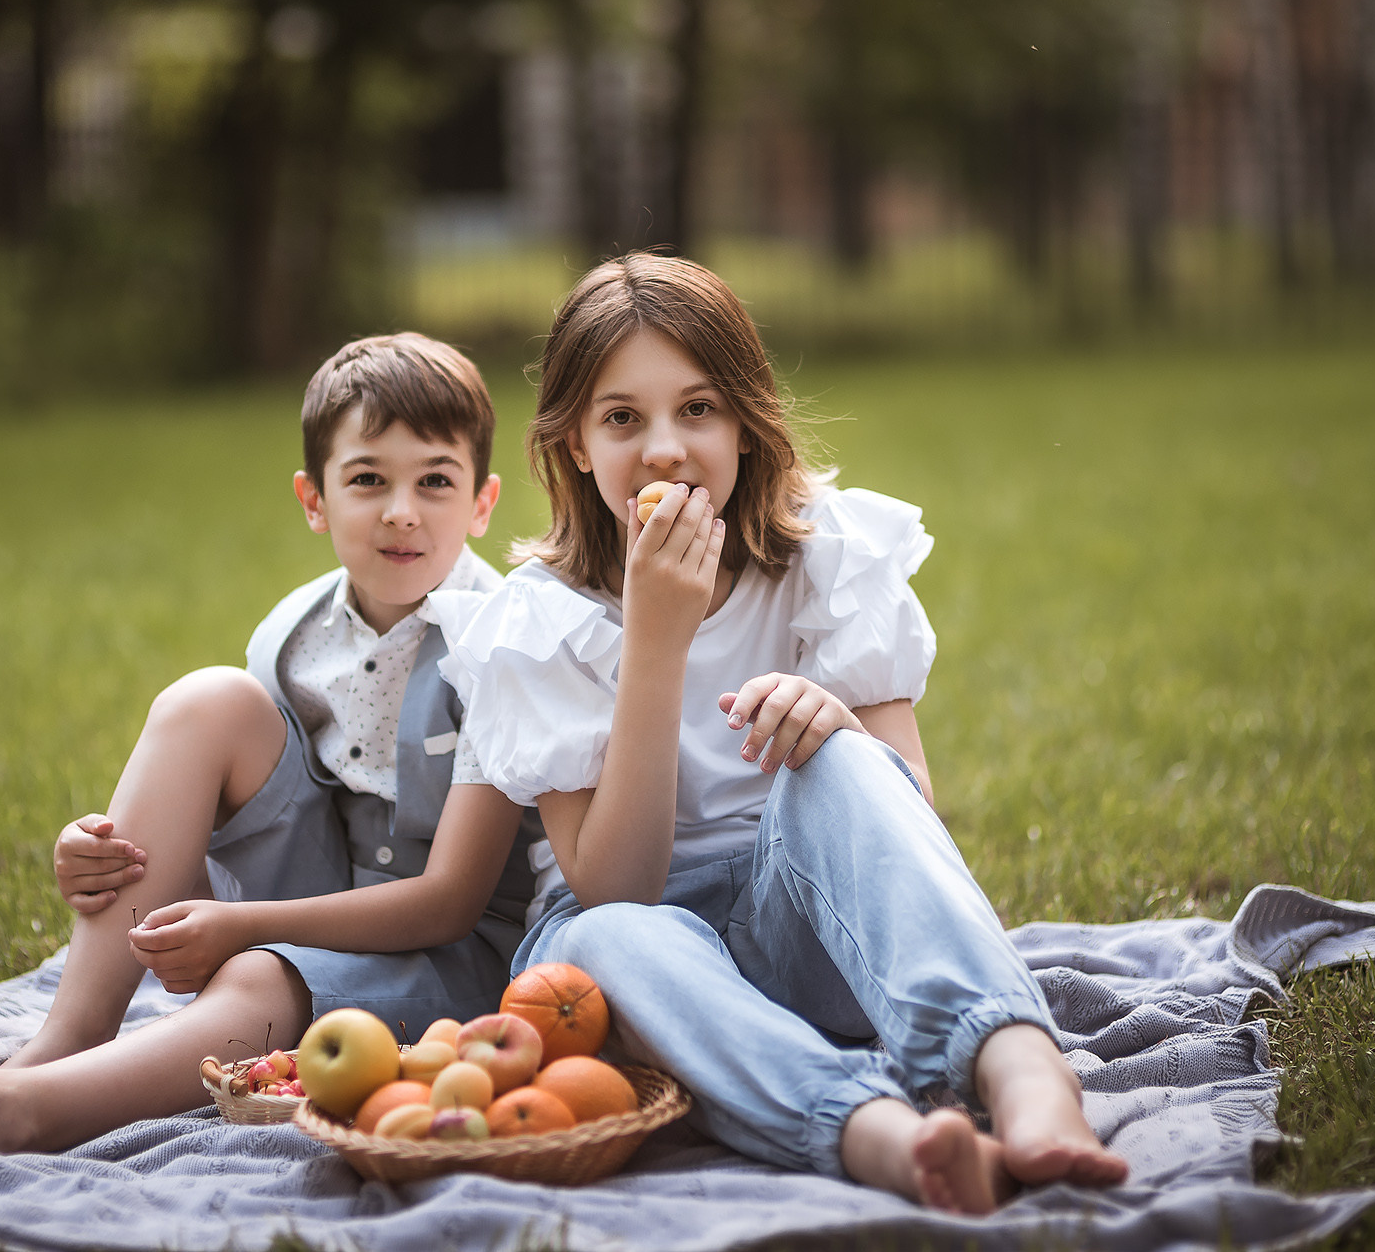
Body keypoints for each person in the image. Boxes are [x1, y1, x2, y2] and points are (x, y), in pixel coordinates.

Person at [440, 255, 1129, 1213]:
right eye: (623, 417)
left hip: (808, 926)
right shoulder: (537, 620)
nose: (667, 448)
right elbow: (616, 883)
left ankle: (1025, 1076)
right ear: (575, 446)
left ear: (746, 424)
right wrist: (654, 644)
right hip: (656, 969)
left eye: (698, 409)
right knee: (599, 937)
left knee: (846, 755)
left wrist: (840, 726)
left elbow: (908, 821)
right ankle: (881, 1134)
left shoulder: (825, 556)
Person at [0, 333, 543, 1152]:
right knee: (206, 699)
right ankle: (66, 1040)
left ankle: (30, 1110)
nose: (402, 509)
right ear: (313, 499)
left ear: (482, 502)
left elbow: (451, 900)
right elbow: (248, 831)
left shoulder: (500, 648)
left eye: (435, 480)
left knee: (255, 974)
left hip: (450, 955)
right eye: (367, 479)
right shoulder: (297, 638)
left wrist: (243, 927)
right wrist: (105, 855)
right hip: (324, 891)